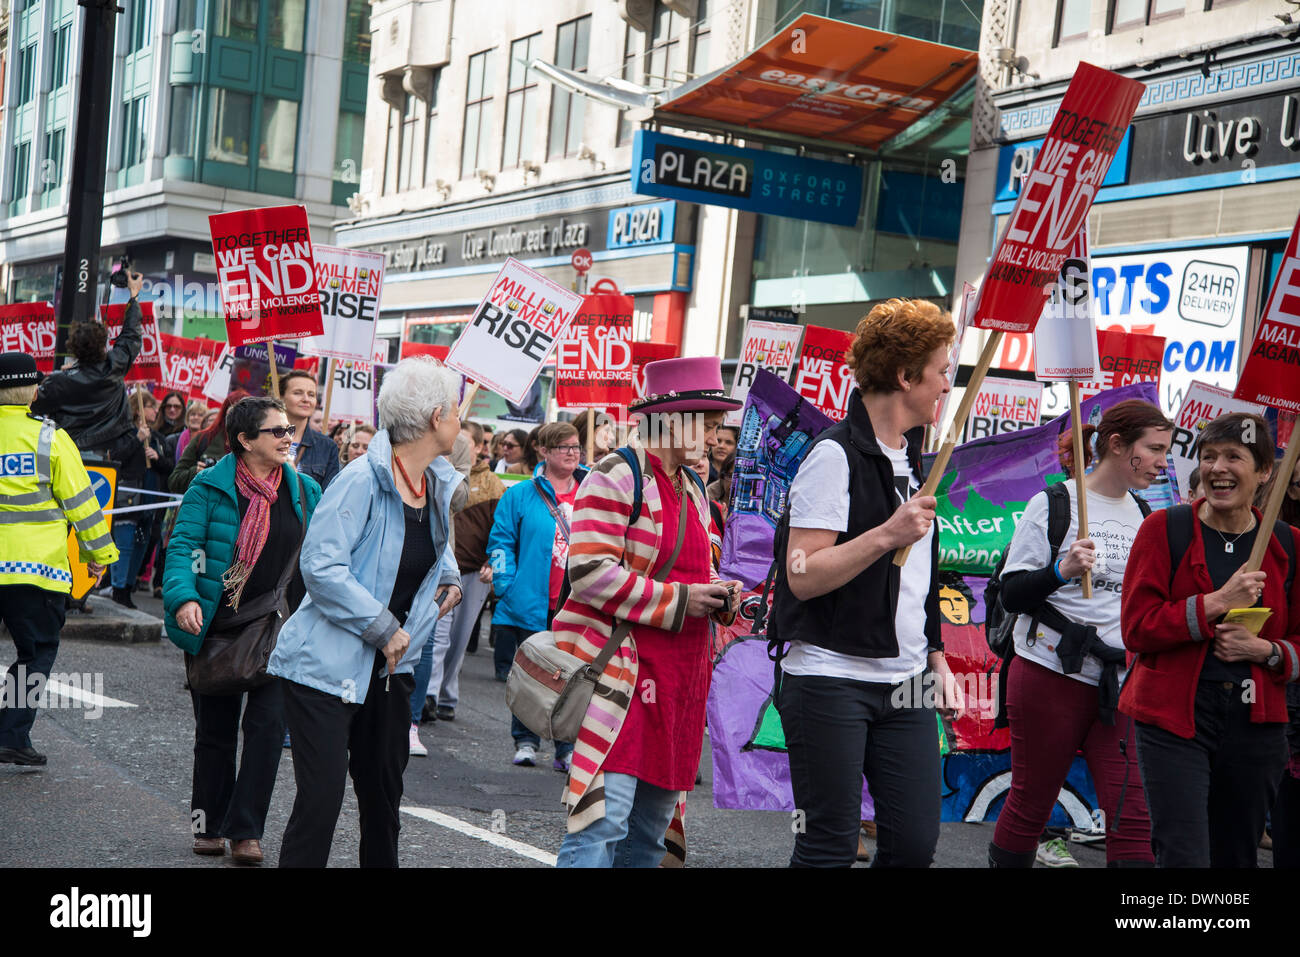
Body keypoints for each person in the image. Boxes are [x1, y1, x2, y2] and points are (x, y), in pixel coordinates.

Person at [770, 298, 960, 868]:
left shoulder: (916, 459)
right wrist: (885, 533)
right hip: (831, 676)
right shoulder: (834, 455)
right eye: (942, 371)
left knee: (912, 846)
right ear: (905, 376)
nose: (947, 386)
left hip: (906, 681)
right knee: (828, 843)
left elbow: (917, 581)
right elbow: (801, 576)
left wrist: (936, 656)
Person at [268, 358, 462, 868]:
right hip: (325, 668)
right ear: (436, 417)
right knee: (322, 801)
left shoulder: (436, 484)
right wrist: (383, 628)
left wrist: (450, 580)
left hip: (391, 671)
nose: (461, 419)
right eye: (457, 409)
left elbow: (434, 553)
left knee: (383, 801)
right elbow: (321, 567)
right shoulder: (360, 480)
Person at [552, 356, 741, 867]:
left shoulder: (695, 487)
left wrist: (721, 596)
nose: (712, 432)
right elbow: (588, 573)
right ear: (668, 418)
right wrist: (685, 600)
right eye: (702, 419)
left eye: (714, 421)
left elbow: (695, 571)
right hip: (622, 673)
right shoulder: (617, 474)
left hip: (680, 681)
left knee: (651, 834)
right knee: (602, 824)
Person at [987, 400, 1174, 869]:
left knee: (1133, 817)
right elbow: (1012, 594)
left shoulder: (1147, 513)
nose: (1161, 462)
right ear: (1116, 445)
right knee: (1032, 803)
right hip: (1048, 673)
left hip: (1120, 685)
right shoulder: (1054, 503)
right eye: (1153, 449)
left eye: (1165, 451)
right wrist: (1060, 569)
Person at [1121, 411, 1300, 868]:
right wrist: (1214, 603)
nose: (1218, 468)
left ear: (1263, 472)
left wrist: (1269, 651)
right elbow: (1137, 627)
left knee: (1235, 857)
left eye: (1234, 457)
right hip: (1174, 721)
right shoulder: (1164, 529)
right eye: (1209, 456)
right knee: (1183, 857)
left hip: (1256, 726)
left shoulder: (1289, 544)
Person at [163, 396, 322, 864]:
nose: (287, 438)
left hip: (280, 628)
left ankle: (246, 830)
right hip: (216, 623)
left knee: (268, 729)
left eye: (289, 430)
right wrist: (184, 597)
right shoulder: (207, 488)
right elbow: (183, 546)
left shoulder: (305, 490)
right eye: (276, 431)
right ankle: (208, 825)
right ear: (244, 440)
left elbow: (322, 558)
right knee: (214, 731)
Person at [0, 353, 118, 766]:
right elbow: (83, 505)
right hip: (35, 569)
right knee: (36, 651)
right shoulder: (50, 438)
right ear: (33, 391)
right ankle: (11, 735)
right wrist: (97, 555)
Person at [487, 421, 589, 770]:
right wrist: (506, 585)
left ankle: (566, 746)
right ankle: (526, 740)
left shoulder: (594, 490)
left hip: (579, 603)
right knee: (532, 675)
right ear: (543, 451)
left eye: (576, 446)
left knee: (573, 677)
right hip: (532, 599)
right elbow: (501, 540)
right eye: (565, 447)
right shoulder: (520, 494)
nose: (573, 453)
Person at [419, 421, 505, 725]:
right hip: (445, 564)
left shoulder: (493, 483)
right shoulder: (433, 466)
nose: (459, 446)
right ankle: (428, 693)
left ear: (478, 447)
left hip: (474, 570)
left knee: (459, 639)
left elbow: (502, 528)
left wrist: (494, 562)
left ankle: (447, 695)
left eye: (466, 443)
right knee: (438, 634)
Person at [31, 271, 145, 459]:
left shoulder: (60, 381)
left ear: (73, 348)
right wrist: (134, 295)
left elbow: (32, 403)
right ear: (102, 344)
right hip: (107, 451)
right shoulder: (114, 365)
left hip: (67, 451)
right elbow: (131, 335)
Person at [105, 392, 172, 608]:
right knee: (124, 545)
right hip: (129, 499)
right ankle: (118, 588)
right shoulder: (125, 433)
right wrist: (138, 440)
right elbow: (115, 457)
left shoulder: (159, 438)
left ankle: (128, 586)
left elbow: (170, 466)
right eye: (151, 406)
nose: (155, 411)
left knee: (141, 545)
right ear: (138, 410)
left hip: (151, 500)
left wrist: (158, 458)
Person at [170, 390, 250, 495]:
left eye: (244, 411)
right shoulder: (205, 438)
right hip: (205, 506)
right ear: (226, 411)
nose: (238, 416)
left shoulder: (257, 443)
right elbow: (174, 481)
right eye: (234, 410)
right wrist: (197, 472)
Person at [278, 369, 340, 490]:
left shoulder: (327, 447)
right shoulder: (264, 437)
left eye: (311, 394)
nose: (306, 399)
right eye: (297, 393)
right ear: (281, 397)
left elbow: (328, 496)